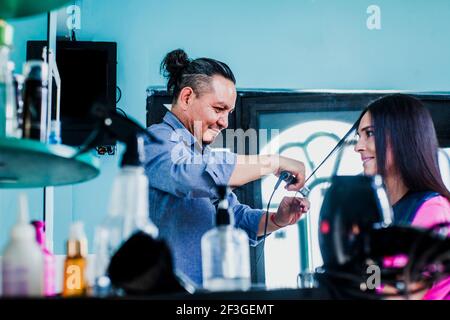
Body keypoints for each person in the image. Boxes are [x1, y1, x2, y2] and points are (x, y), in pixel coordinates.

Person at [144, 49, 309, 286]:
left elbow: (237, 219)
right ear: (187, 98)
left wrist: (278, 218)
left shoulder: (202, 155)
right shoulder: (156, 140)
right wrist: (272, 161)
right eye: (219, 109)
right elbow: (188, 178)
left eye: (229, 112)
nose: (225, 122)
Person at [354, 94, 450, 299]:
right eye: (358, 136)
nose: (358, 147)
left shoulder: (434, 210)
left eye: (369, 133)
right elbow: (372, 285)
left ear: (403, 137)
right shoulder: (381, 214)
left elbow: (399, 295)